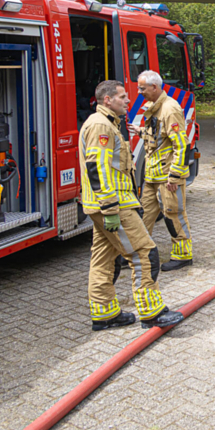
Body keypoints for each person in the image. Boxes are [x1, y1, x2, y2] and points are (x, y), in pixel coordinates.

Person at [80, 80, 183, 330]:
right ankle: (151, 312)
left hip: (104, 207)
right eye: (123, 97)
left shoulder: (108, 124)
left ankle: (104, 313)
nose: (128, 101)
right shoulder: (101, 126)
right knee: (145, 253)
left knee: (103, 260)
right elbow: (98, 169)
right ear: (107, 100)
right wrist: (111, 207)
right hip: (113, 207)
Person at [135, 70, 192, 272]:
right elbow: (159, 137)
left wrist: (175, 176)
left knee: (173, 214)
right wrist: (141, 132)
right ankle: (138, 252)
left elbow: (181, 145)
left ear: (154, 87)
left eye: (142, 88)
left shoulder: (170, 109)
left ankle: (183, 255)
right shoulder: (153, 107)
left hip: (167, 176)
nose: (138, 91)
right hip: (152, 175)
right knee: (145, 214)